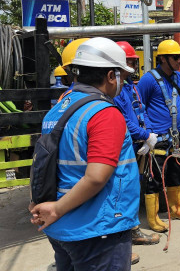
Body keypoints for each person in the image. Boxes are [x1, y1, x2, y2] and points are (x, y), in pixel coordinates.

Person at [29, 37, 139, 270]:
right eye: (123, 76)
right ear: (111, 76)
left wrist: (46, 205)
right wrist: (55, 209)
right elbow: (96, 176)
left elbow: (44, 163)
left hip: (62, 228)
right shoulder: (104, 113)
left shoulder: (59, 108)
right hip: (97, 229)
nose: (124, 84)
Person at [137, 39, 180, 222]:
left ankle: (177, 209)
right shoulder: (148, 80)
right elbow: (139, 107)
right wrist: (148, 134)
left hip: (177, 136)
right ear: (163, 58)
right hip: (158, 137)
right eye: (176, 57)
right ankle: (153, 218)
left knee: (176, 173)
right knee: (155, 177)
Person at [112, 42, 163, 247]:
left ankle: (131, 229)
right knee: (123, 190)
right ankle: (127, 234)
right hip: (127, 146)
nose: (132, 65)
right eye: (128, 62)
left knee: (134, 188)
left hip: (139, 143)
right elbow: (124, 120)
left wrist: (149, 134)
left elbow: (142, 112)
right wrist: (143, 135)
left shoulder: (132, 86)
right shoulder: (116, 91)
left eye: (133, 61)